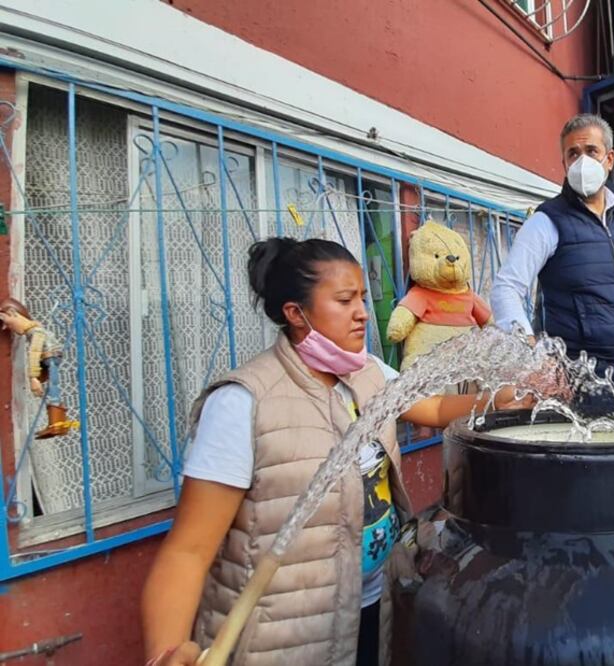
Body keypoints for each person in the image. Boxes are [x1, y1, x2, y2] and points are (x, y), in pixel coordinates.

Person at [141, 238, 523, 666]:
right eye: (345, 300)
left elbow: (431, 407)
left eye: (362, 297)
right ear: (295, 313)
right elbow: (187, 552)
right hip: (281, 638)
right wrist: (168, 651)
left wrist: (506, 398)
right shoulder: (244, 404)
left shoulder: (368, 372)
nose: (362, 311)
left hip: (372, 607)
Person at [491, 113, 614, 410]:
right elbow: (506, 287)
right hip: (581, 378)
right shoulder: (546, 221)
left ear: (610, 158)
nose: (582, 161)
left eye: (591, 151)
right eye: (573, 154)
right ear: (564, 163)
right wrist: (531, 357)